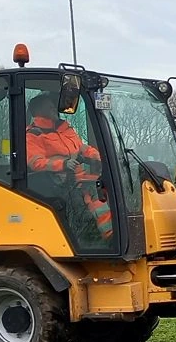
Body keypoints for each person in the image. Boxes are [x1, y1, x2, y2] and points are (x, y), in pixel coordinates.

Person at [24, 93, 114, 240]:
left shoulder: (65, 130)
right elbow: (36, 162)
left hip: (81, 180)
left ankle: (110, 237)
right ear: (39, 111)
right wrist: (63, 164)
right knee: (89, 210)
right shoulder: (33, 135)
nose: (54, 108)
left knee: (110, 193)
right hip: (60, 184)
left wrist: (101, 158)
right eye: (50, 106)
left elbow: (82, 148)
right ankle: (100, 239)